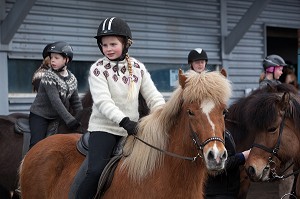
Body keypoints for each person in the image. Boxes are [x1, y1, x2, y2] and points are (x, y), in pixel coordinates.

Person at [76, 17, 165, 199]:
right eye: (104, 45)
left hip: (132, 129)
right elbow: (103, 102)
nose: (108, 49)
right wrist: (124, 121)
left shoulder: (138, 68)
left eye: (113, 44)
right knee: (95, 172)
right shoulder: (98, 69)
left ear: (126, 43)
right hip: (105, 128)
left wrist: (163, 115)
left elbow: (153, 96)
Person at [188, 48, 250, 198]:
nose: (200, 64)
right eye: (197, 62)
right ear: (191, 64)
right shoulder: (188, 84)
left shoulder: (211, 81)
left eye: (202, 62)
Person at [29, 41, 83, 149]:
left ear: (66, 60)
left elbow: (76, 103)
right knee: (36, 144)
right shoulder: (48, 76)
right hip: (41, 116)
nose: (52, 60)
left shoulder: (72, 79)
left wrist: (79, 118)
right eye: (51, 57)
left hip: (57, 117)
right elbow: (55, 101)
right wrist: (70, 120)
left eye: (56, 58)